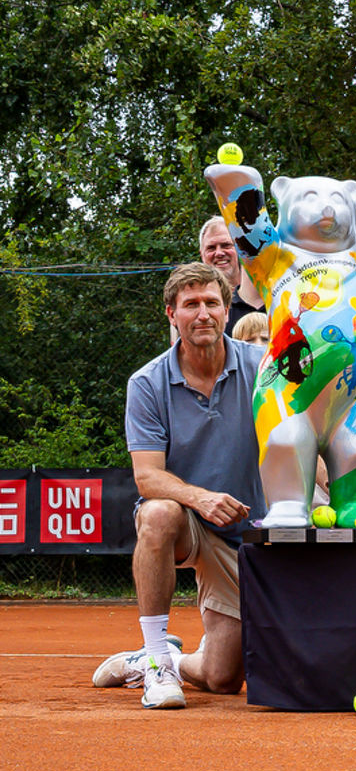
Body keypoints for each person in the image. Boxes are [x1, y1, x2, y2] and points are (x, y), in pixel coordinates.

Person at [90, 263, 267, 709]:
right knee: (157, 513)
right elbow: (147, 476)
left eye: (212, 302)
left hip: (251, 535)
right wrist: (199, 498)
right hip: (192, 522)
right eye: (191, 304)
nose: (202, 313)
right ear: (172, 313)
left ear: (228, 310)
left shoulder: (264, 367)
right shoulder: (147, 383)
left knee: (223, 678)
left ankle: (169, 657)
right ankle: (156, 659)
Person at [198, 216, 264, 334]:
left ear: (240, 249)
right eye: (211, 248)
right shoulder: (197, 308)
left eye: (226, 245)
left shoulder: (268, 299)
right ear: (202, 254)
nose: (219, 253)